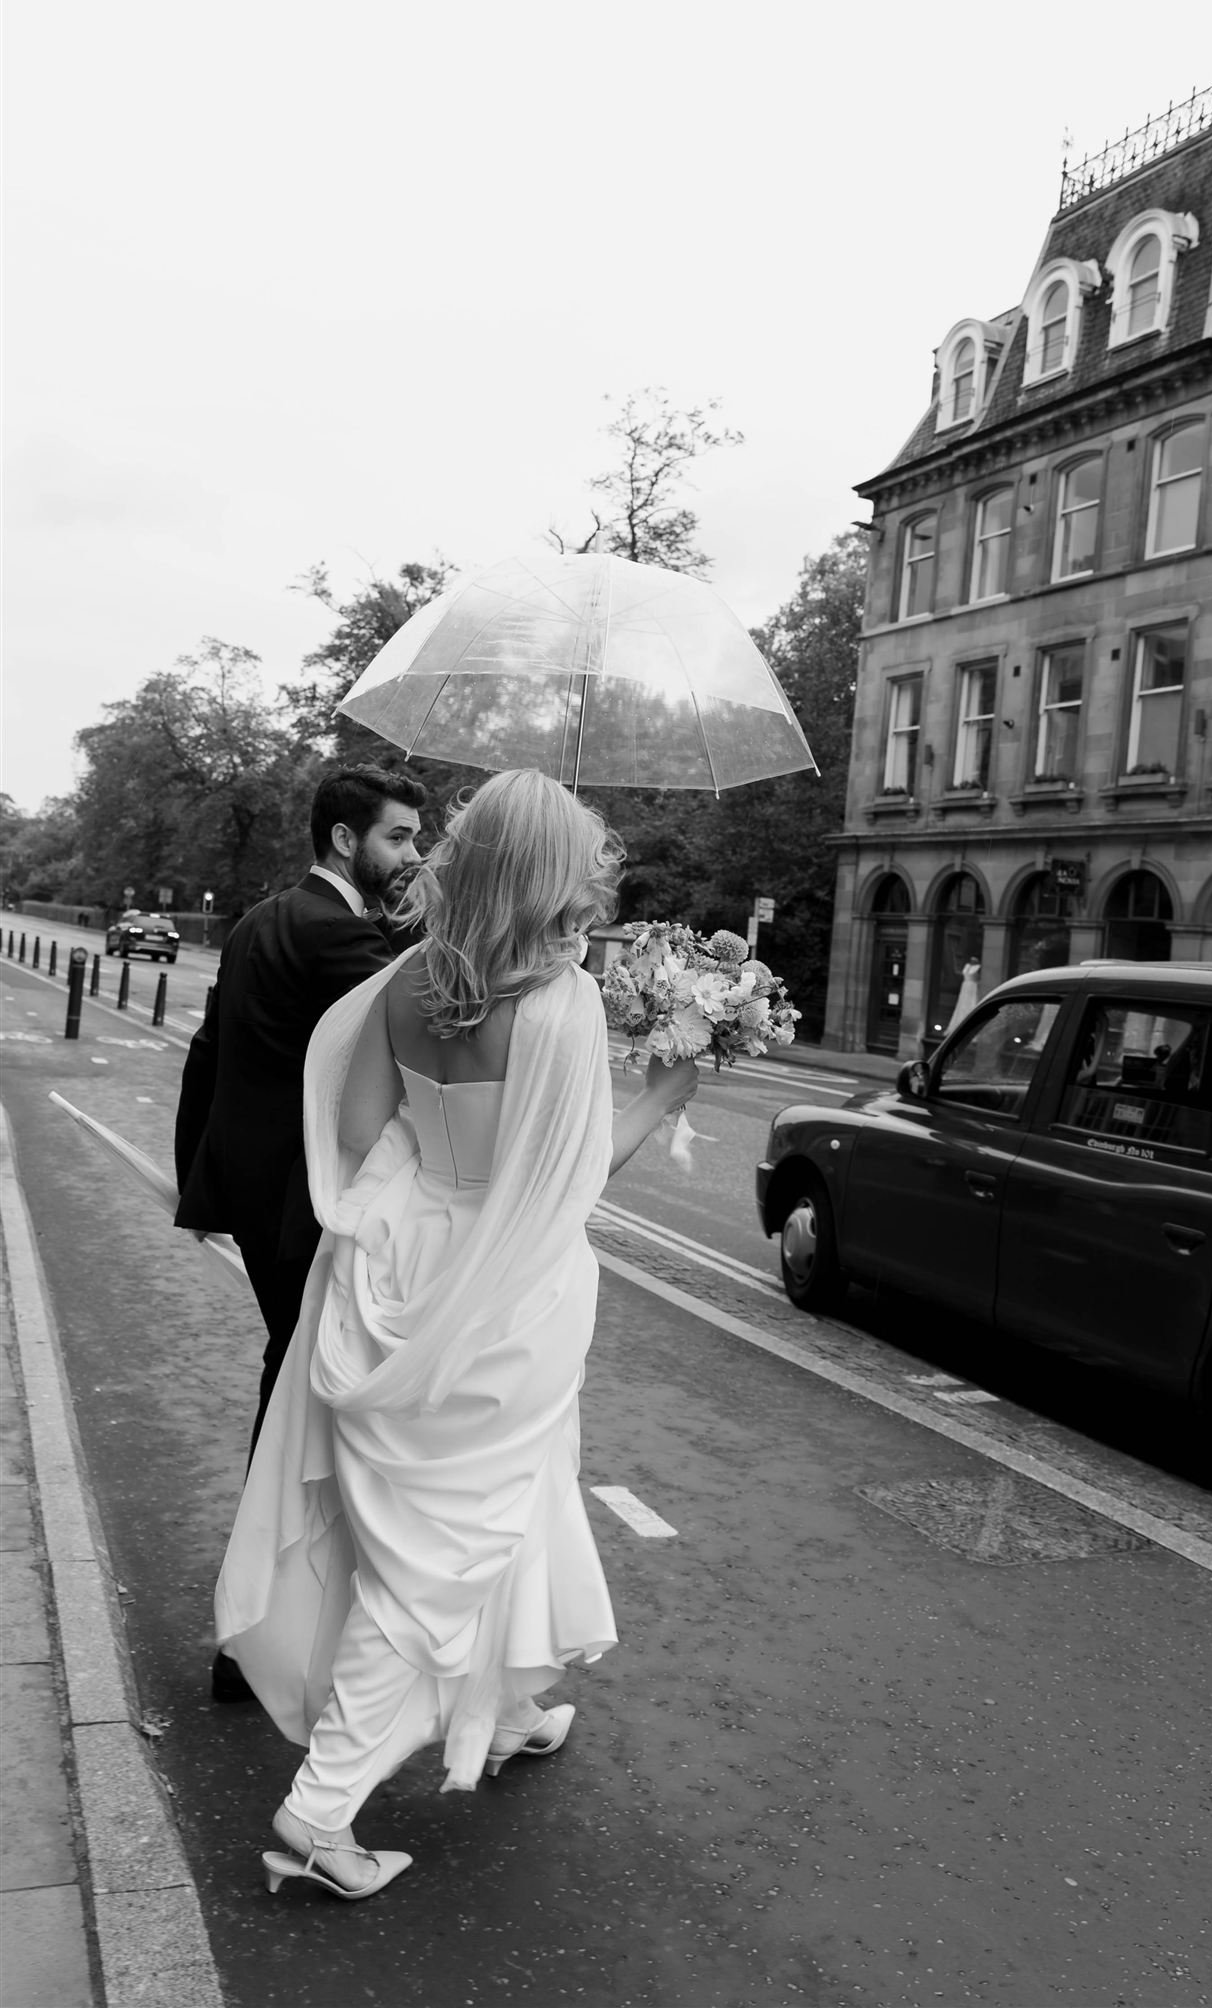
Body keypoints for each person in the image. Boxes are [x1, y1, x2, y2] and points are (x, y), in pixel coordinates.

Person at [214, 770, 697, 1901]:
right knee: (442, 1553)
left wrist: (430, 1206)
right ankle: (319, 1809)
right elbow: (572, 1185)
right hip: (510, 1295)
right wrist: (665, 1091)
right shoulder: (560, 1005)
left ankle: (508, 1704)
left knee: (496, 1500)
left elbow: (355, 1131)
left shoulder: (402, 983)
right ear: (547, 873)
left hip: (403, 1261)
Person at [175, 767, 426, 1701]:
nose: (413, 856)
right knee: (300, 1409)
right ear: (342, 841)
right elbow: (424, 1034)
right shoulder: (337, 936)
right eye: (398, 839)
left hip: (251, 1197)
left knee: (296, 1393)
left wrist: (199, 1179)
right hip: (300, 1211)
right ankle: (252, 1637)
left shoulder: (258, 920)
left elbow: (211, 1056)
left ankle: (267, 1632)